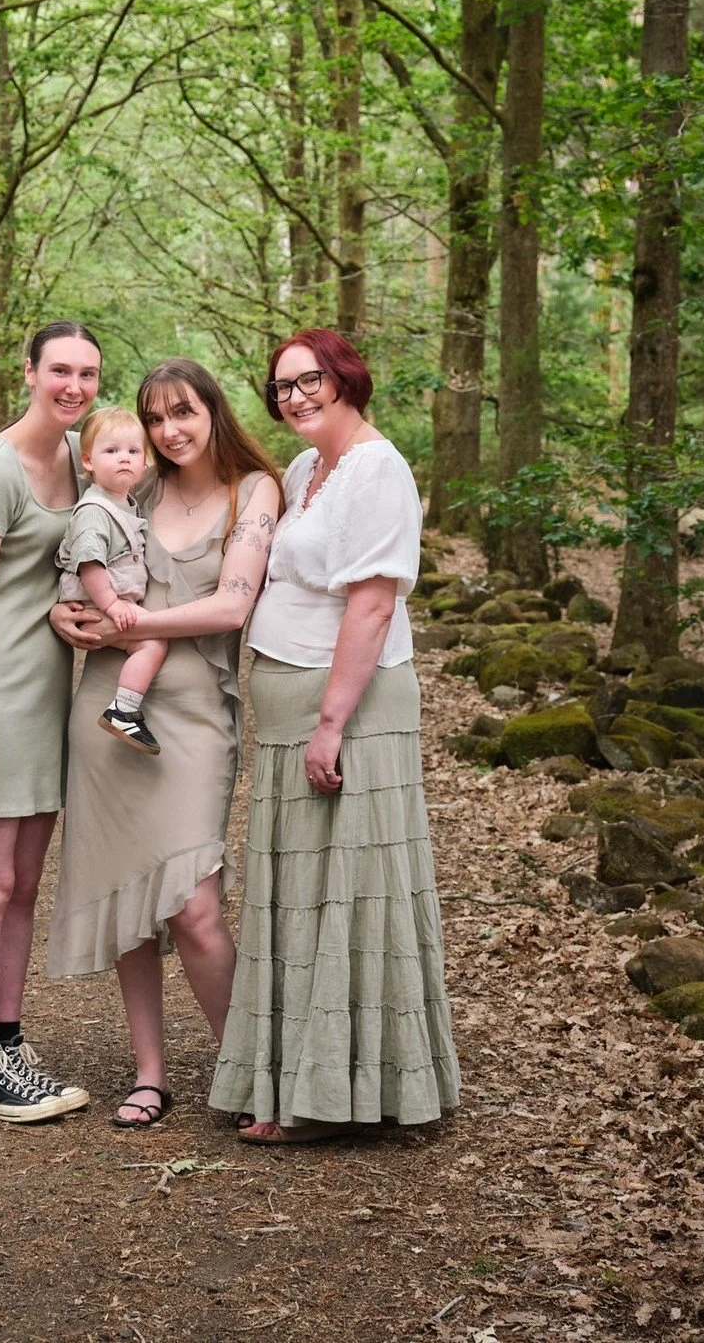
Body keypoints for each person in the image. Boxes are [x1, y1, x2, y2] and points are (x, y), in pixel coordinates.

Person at [209, 328, 460, 1145]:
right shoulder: (305, 470)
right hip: (291, 707)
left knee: (347, 891)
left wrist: (329, 725)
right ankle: (292, 1079)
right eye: (282, 386)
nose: (295, 397)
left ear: (347, 377)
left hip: (346, 709)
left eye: (309, 379)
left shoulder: (377, 470)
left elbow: (374, 605)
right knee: (300, 898)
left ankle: (332, 1099)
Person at [47, 359, 282, 1128]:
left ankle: (252, 1075)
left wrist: (135, 625)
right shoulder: (135, 487)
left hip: (194, 717)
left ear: (213, 409)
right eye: (154, 418)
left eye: (183, 412)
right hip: (108, 712)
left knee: (195, 905)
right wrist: (63, 614)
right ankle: (150, 1074)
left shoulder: (254, 491)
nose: (168, 430)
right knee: (129, 894)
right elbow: (82, 568)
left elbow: (231, 606)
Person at [0, 320, 101, 1122]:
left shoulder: (76, 454)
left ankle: (6, 1040)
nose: (74, 386)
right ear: (29, 372)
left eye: (88, 373)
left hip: (46, 701)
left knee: (25, 885)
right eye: (60, 370)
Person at [55, 407, 169, 756]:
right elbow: (90, 564)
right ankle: (124, 710)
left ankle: (125, 708)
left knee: (150, 642)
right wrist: (112, 604)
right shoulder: (94, 511)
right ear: (88, 460)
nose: (124, 458)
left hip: (107, 602)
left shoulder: (125, 504)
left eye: (133, 451)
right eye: (112, 450)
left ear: (145, 461)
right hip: (96, 604)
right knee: (153, 642)